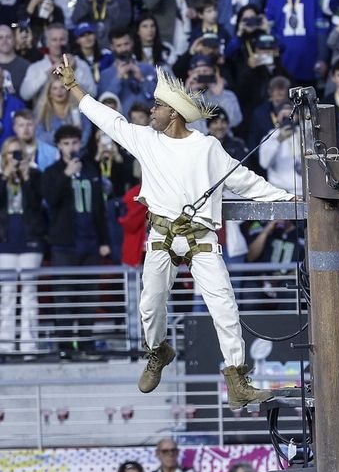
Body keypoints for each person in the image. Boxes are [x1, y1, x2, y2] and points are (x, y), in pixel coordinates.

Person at [53, 55, 295, 409]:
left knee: (224, 307)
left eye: (158, 106)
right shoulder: (148, 141)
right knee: (150, 306)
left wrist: (290, 199)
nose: (151, 111)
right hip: (161, 238)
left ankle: (238, 379)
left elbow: (246, 182)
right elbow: (110, 121)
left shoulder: (207, 147)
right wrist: (74, 86)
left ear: (175, 114)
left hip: (201, 239)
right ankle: (158, 351)